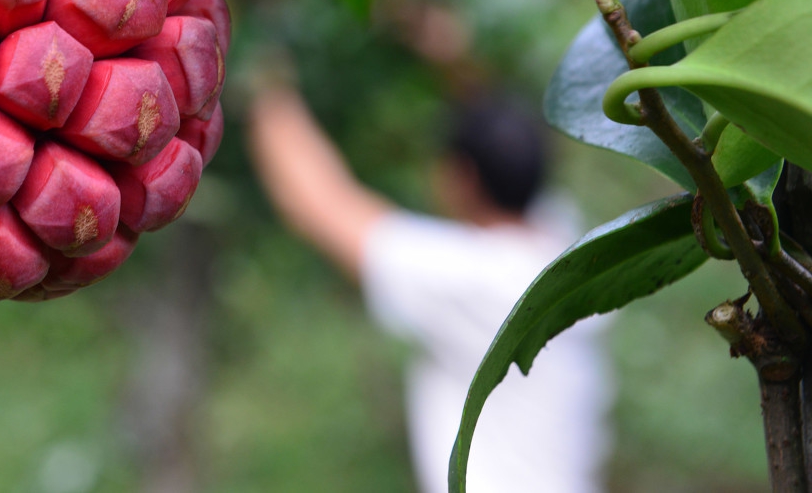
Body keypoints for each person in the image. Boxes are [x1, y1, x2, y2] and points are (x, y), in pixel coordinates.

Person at [247, 81, 611, 493]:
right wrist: (450, 58)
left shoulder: (478, 283)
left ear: (462, 178)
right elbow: (506, 128)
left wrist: (263, 80)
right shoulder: (562, 241)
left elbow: (318, 204)